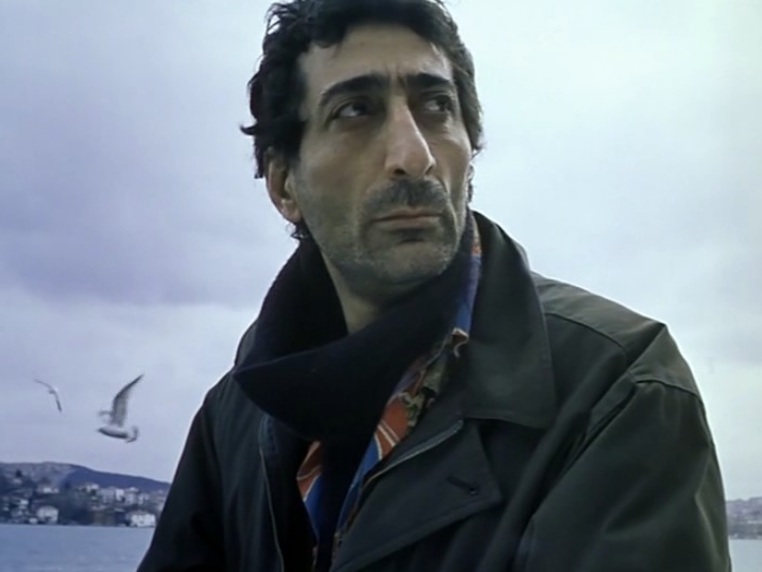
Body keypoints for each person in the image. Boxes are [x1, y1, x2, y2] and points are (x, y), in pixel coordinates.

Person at [137, 0, 731, 570]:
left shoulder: (617, 390)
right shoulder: (236, 417)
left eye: (436, 107)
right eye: (356, 110)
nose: (413, 154)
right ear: (284, 185)